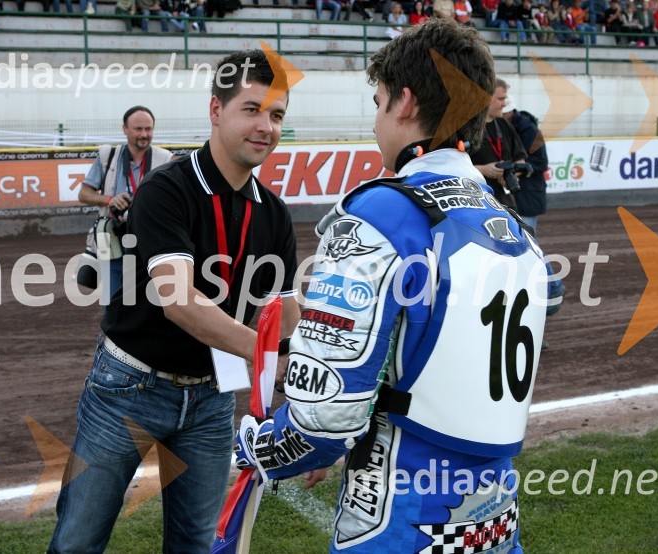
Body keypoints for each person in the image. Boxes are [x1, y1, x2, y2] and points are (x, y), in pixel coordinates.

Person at [235, 19, 550, 553]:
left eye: (378, 101)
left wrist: (252, 448)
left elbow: (325, 416)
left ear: (404, 103)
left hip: (400, 519)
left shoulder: (383, 211)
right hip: (494, 519)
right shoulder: (510, 222)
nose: (377, 121)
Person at [48, 50, 301, 553]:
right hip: (128, 388)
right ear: (215, 111)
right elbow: (179, 301)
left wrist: (301, 393)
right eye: (251, 109)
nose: (266, 127)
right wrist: (270, 358)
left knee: (193, 546)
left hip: (209, 398)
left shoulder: (273, 213)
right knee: (77, 541)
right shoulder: (167, 189)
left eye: (276, 116)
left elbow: (285, 316)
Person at [77, 106, 173, 301]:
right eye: (138, 129)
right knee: (111, 299)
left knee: (146, 301)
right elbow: (84, 194)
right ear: (125, 129)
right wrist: (109, 199)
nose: (144, 134)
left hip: (148, 240)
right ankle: (110, 332)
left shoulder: (166, 159)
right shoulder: (107, 156)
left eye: (148, 129)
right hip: (111, 238)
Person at [469, 78, 528, 210]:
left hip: (506, 204)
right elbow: (452, 168)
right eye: (500, 99)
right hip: (477, 204)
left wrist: (511, 174)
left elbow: (520, 159)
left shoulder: (504, 124)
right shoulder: (466, 128)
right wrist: (483, 170)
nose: (504, 104)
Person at [502, 96, 547, 232]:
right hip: (523, 191)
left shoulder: (529, 130)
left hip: (528, 190)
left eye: (503, 112)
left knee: (526, 234)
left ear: (510, 112)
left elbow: (541, 162)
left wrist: (515, 170)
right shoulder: (507, 127)